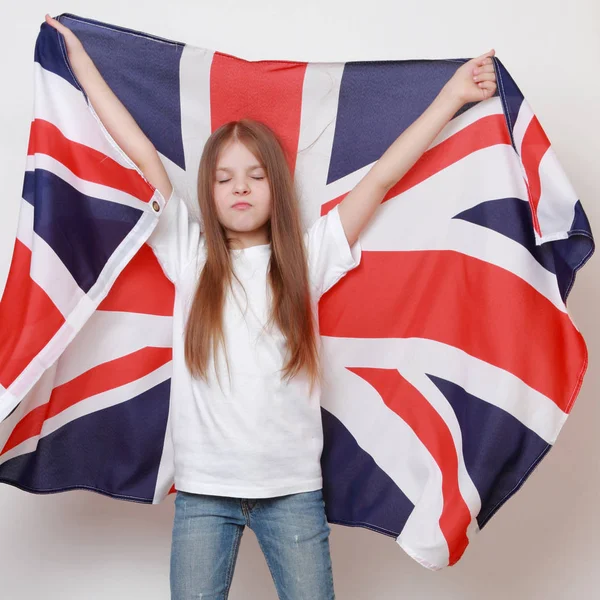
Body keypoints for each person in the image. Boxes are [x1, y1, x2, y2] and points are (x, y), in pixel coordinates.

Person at [45, 13, 496, 600]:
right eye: (226, 177)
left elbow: (381, 179)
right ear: (206, 190)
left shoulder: (307, 259)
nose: (240, 187)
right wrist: (80, 64)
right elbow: (139, 154)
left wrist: (452, 96)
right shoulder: (188, 252)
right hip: (205, 493)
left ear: (276, 186)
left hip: (292, 493)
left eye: (256, 175)